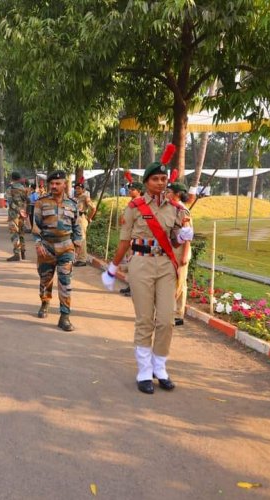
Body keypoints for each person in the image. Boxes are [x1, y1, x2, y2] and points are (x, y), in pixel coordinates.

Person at [102, 145, 194, 394]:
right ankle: (144, 371)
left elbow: (174, 240)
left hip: (165, 264)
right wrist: (112, 268)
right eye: (155, 179)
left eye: (164, 179)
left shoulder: (175, 209)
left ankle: (160, 366)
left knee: (166, 320)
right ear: (146, 182)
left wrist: (183, 235)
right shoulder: (134, 208)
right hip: (140, 264)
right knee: (144, 320)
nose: (160, 183)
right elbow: (124, 240)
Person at [33, 171, 82, 331]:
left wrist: (77, 244)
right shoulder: (41, 202)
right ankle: (45, 302)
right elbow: (36, 226)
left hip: (66, 247)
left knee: (65, 283)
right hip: (46, 247)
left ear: (64, 184)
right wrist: (38, 243)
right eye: (51, 183)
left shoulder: (73, 204)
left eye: (57, 183)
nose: (53, 186)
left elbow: (77, 226)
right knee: (45, 279)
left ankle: (65, 316)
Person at [167, 182, 193, 327]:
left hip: (181, 250)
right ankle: (178, 314)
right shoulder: (174, 209)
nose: (166, 193)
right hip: (174, 248)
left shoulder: (182, 210)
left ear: (177, 194)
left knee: (178, 282)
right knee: (180, 283)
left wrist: (184, 254)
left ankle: (173, 314)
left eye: (169, 191)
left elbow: (187, 234)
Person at [118, 181, 144, 297]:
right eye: (129, 189)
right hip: (126, 237)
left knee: (136, 265)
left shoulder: (140, 204)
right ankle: (130, 285)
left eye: (133, 189)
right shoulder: (131, 202)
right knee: (130, 264)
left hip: (134, 238)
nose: (130, 190)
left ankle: (135, 288)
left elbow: (139, 223)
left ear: (139, 191)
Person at [6, 171, 28, 261]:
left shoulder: (10, 189)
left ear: (12, 178)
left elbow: (10, 203)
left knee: (14, 234)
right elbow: (27, 200)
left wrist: (18, 210)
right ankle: (23, 252)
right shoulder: (24, 188)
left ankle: (16, 254)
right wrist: (23, 210)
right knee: (21, 233)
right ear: (19, 178)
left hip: (13, 214)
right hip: (22, 214)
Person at [72, 181, 95, 267]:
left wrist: (89, 218)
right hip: (76, 218)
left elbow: (93, 208)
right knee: (78, 238)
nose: (77, 190)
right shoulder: (76, 198)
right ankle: (79, 258)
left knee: (82, 238)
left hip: (82, 218)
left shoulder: (85, 197)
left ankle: (82, 259)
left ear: (83, 189)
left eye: (79, 188)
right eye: (76, 188)